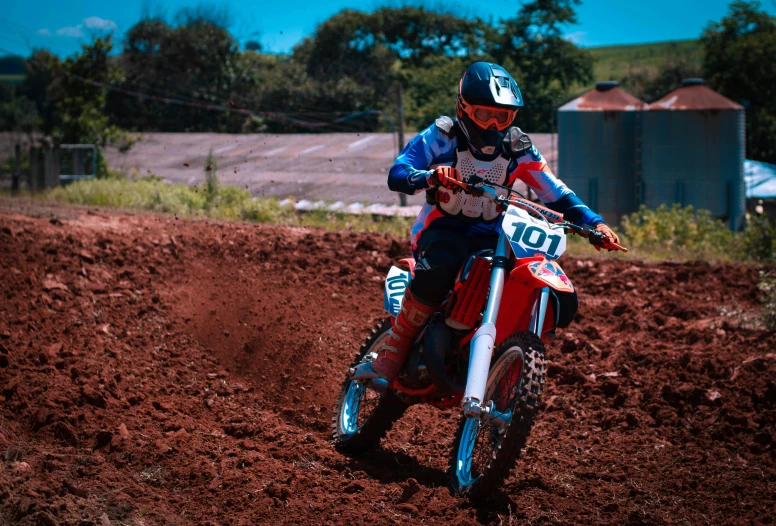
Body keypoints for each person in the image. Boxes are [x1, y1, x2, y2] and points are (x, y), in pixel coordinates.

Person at [352, 62, 619, 382]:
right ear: (463, 108)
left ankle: (517, 351)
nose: (493, 125)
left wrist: (595, 223)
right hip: (443, 229)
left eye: (503, 117)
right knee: (442, 264)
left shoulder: (519, 149)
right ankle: (395, 348)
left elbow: (556, 193)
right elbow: (399, 172)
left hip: (496, 234)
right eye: (484, 115)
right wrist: (429, 176)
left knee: (537, 278)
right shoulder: (442, 136)